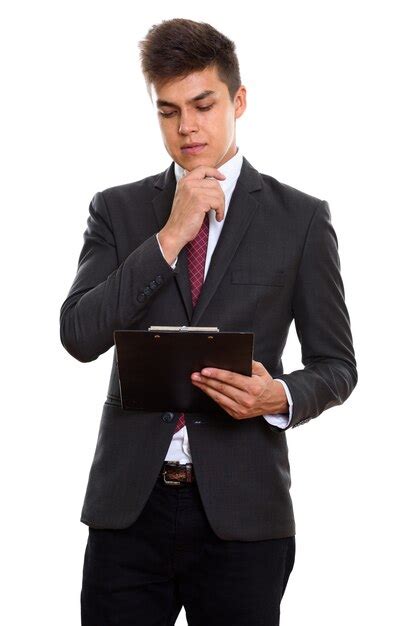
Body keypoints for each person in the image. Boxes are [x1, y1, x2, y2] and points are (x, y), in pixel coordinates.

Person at [59, 17, 358, 626]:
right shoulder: (117, 210)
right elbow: (79, 334)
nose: (186, 126)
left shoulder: (299, 219)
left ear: (238, 100)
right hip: (128, 514)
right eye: (168, 111)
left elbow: (337, 365)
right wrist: (170, 235)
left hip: (244, 517)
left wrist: (279, 397)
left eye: (203, 104)